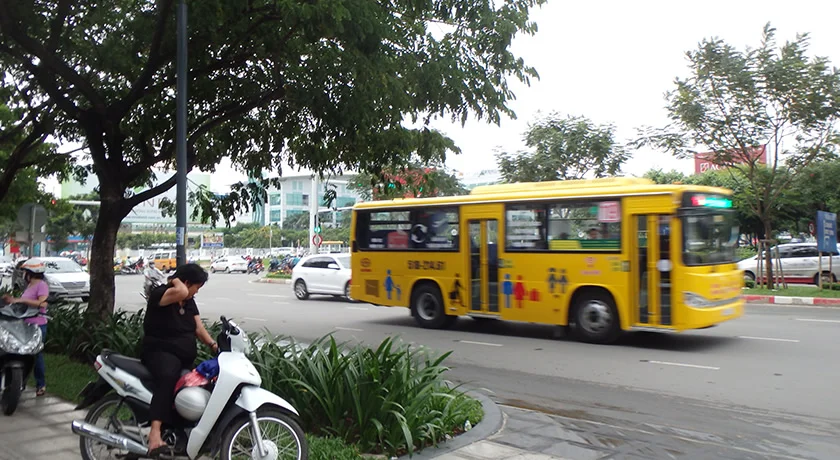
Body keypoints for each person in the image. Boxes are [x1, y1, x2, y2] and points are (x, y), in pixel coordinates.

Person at [142, 263, 217, 456]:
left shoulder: (189, 301)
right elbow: (182, 291)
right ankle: (155, 433)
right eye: (196, 287)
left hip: (182, 356)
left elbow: (198, 328)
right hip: (159, 352)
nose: (195, 293)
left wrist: (214, 346)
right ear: (186, 282)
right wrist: (173, 280)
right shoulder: (162, 294)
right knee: (169, 377)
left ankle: (179, 432)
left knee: (193, 384)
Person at [2, 258, 50, 396]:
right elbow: (23, 304)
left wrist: (20, 299)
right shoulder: (29, 286)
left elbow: (42, 303)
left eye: (24, 272)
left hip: (37, 325)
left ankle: (41, 384)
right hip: (25, 323)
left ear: (30, 273)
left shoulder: (41, 285)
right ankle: (17, 381)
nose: (23, 275)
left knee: (36, 353)